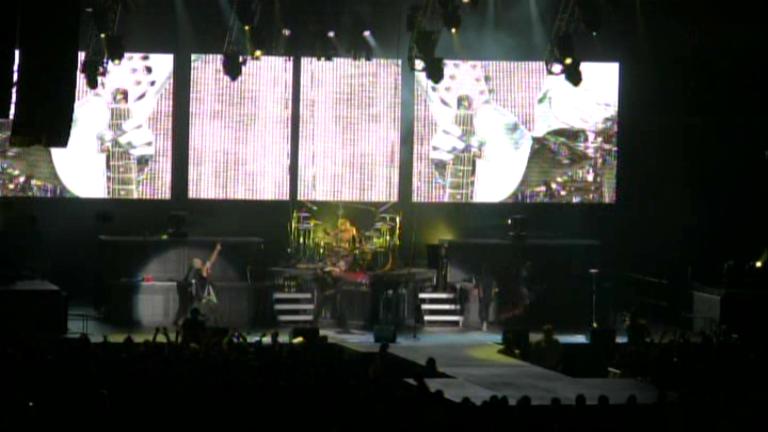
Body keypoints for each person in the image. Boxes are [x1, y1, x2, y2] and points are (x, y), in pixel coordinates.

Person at [174, 242, 222, 326]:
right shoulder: (202, 271)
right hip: (203, 295)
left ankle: (180, 322)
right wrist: (217, 250)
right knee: (211, 310)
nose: (202, 263)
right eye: (201, 263)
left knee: (193, 310)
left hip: (200, 295)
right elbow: (211, 261)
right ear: (199, 265)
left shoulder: (195, 273)